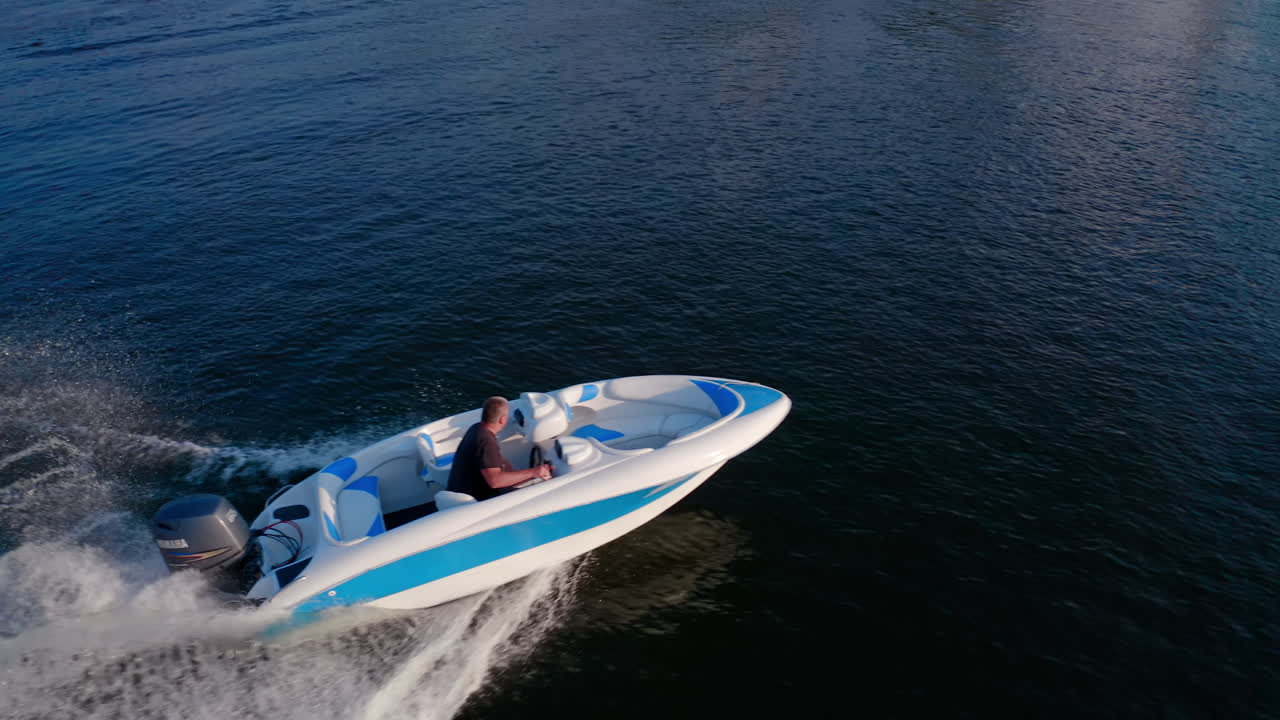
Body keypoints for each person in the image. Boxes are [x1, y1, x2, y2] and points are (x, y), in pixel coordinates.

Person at [448, 396, 552, 501]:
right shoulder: (486, 441)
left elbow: (494, 460)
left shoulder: (476, 428)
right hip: (475, 502)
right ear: (502, 420)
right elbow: (495, 481)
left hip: (459, 491)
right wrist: (534, 472)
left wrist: (516, 473)